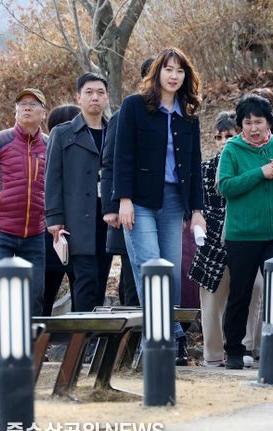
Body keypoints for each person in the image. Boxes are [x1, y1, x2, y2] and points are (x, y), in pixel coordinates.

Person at [113, 47, 206, 363]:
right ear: (157, 73)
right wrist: (123, 200)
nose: (174, 75)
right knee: (150, 266)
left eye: (180, 70)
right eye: (168, 69)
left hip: (174, 202)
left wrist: (197, 211)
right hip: (139, 201)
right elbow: (123, 156)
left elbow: (194, 165)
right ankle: (167, 337)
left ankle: (165, 335)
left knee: (172, 273)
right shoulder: (134, 106)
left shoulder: (188, 114)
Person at [218, 94, 273, 370]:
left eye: (258, 122)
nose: (253, 128)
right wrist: (260, 173)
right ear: (240, 124)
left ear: (269, 122)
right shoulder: (232, 149)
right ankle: (234, 351)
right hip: (242, 235)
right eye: (247, 122)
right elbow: (225, 186)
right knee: (240, 293)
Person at [188, 111, 263, 367]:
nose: (223, 142)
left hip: (247, 237)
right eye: (219, 137)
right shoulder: (205, 169)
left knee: (254, 288)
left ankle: (246, 347)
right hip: (212, 241)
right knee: (212, 298)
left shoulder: (252, 166)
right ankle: (213, 354)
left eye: (229, 136)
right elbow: (196, 207)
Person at [0, 88, 49, 322]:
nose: (27, 108)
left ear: (44, 113)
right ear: (15, 111)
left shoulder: (50, 144)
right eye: (22, 104)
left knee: (35, 291)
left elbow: (57, 183)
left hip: (36, 231)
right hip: (0, 230)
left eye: (34, 104)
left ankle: (31, 339)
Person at [45, 72, 112, 313]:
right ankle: (84, 333)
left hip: (108, 215)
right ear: (79, 97)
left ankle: (91, 333)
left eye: (100, 93)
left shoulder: (114, 131)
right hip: (76, 218)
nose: (95, 97)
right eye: (89, 92)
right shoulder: (62, 133)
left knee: (101, 279)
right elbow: (52, 178)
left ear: (107, 98)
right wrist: (54, 218)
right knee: (85, 278)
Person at [102, 58, 155, 310]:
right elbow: (110, 163)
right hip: (130, 209)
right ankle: (136, 332)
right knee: (133, 278)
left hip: (162, 208)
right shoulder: (124, 115)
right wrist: (111, 207)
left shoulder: (177, 116)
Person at [42, 104, 80, 316]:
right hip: (76, 233)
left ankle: (38, 335)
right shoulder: (85, 157)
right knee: (81, 295)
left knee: (44, 296)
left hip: (49, 233)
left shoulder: (44, 154)